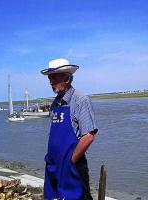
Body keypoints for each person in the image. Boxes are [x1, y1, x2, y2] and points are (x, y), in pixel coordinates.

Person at [41, 58, 98, 200]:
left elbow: (88, 136)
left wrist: (69, 162)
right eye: (49, 78)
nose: (50, 81)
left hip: (72, 167)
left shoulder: (81, 100)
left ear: (66, 78)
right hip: (53, 165)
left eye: (54, 77)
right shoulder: (55, 103)